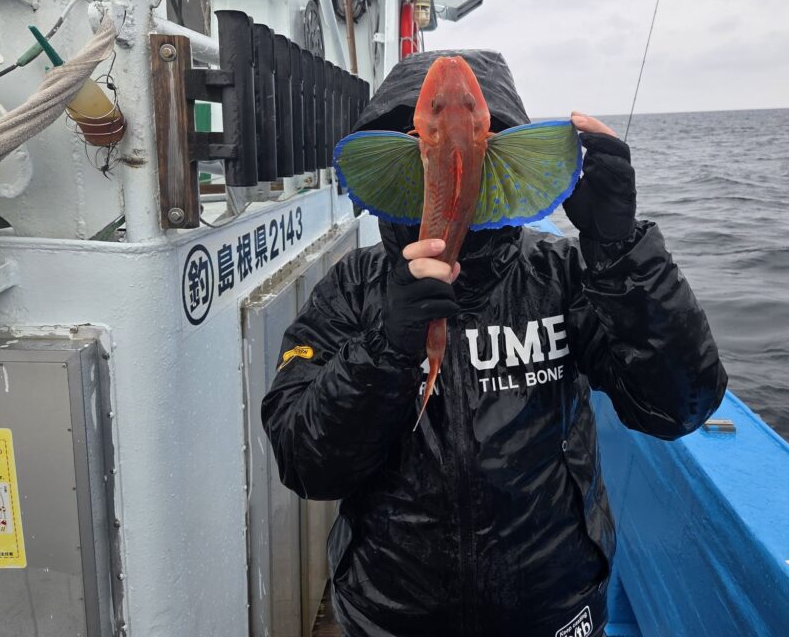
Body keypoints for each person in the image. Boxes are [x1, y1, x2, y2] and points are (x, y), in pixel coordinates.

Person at [261, 50, 727, 637]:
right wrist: (385, 348)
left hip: (553, 611)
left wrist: (620, 255)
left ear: (503, 150)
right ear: (399, 152)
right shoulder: (354, 287)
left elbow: (677, 406)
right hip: (392, 615)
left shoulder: (562, 275)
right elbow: (305, 463)